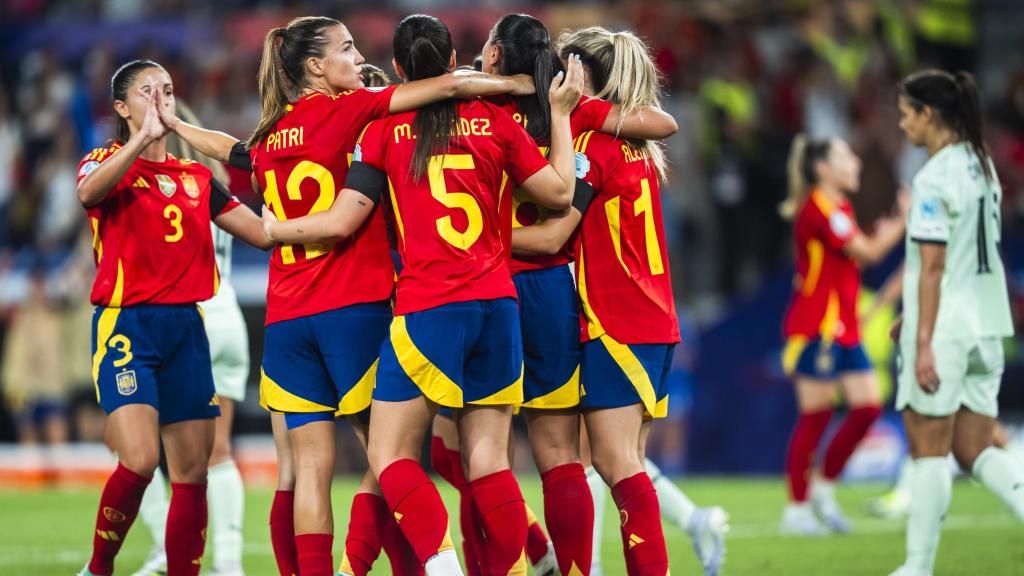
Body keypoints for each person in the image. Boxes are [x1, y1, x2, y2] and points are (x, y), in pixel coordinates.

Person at [261, 14, 582, 576]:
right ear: (455, 58)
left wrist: (275, 230)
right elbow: (558, 194)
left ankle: (439, 563)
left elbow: (343, 218)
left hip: (427, 306)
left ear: (398, 70)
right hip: (498, 303)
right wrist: (558, 116)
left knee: (389, 455)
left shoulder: (381, 132)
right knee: (488, 459)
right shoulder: (494, 121)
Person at [426, 14, 681, 576]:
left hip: (474, 284)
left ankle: (507, 564)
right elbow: (662, 123)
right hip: (553, 297)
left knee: (467, 454)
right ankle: (553, 562)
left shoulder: (468, 106)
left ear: (493, 55)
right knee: (559, 458)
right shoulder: (578, 120)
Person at [511, 26, 728, 576]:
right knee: (623, 461)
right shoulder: (635, 145)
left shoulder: (593, 150)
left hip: (617, 321)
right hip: (652, 319)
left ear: (582, 78)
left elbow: (554, 239)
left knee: (615, 463)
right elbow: (662, 121)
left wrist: (470, 241)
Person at [75, 60, 271, 576]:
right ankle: (99, 567)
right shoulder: (103, 161)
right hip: (127, 327)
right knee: (138, 460)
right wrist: (139, 143)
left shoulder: (198, 178)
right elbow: (88, 194)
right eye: (146, 92)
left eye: (166, 90)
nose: (159, 100)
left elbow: (262, 233)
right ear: (122, 108)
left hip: (188, 329)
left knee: (192, 475)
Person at [889, 69, 1023, 576]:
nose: (902, 124)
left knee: (928, 445)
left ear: (928, 114)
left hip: (945, 329)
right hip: (987, 325)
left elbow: (936, 264)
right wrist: (913, 315)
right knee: (973, 446)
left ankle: (917, 567)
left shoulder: (934, 177)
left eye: (906, 113)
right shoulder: (981, 165)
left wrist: (923, 340)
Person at [128, 100, 250, 576]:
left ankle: (164, 544)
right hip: (228, 319)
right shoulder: (212, 185)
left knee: (132, 445)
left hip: (183, 322)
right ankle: (230, 561)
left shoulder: (160, 187)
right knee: (218, 451)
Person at [776, 134, 908, 535]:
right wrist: (903, 221)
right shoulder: (819, 206)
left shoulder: (841, 207)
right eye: (846, 156)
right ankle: (796, 511)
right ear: (823, 169)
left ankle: (824, 488)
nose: (855, 162)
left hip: (844, 329)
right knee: (814, 418)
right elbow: (867, 253)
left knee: (867, 408)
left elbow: (857, 252)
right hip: (817, 327)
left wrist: (877, 233)